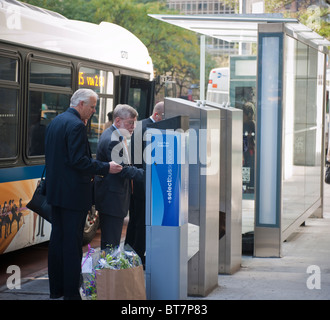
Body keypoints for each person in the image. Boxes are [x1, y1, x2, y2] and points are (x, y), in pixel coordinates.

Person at [45, 88, 122, 300]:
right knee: (71, 244)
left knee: (57, 240)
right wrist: (106, 167)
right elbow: (79, 161)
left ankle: (56, 290)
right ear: (81, 104)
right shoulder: (77, 125)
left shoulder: (56, 122)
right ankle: (71, 293)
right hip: (73, 195)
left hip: (55, 192)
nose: (94, 111)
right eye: (92, 106)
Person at [94, 104, 144, 250]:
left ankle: (108, 271)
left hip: (112, 198)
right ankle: (108, 272)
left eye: (134, 122)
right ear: (117, 121)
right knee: (111, 244)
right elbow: (123, 170)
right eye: (130, 122)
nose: (133, 126)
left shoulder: (113, 134)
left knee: (111, 243)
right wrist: (151, 175)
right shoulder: (113, 139)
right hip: (112, 199)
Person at [125, 101, 164, 265]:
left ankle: (131, 254)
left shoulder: (142, 126)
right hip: (143, 183)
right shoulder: (147, 128)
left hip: (141, 182)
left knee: (136, 222)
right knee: (141, 222)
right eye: (165, 117)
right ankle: (138, 256)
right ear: (157, 115)